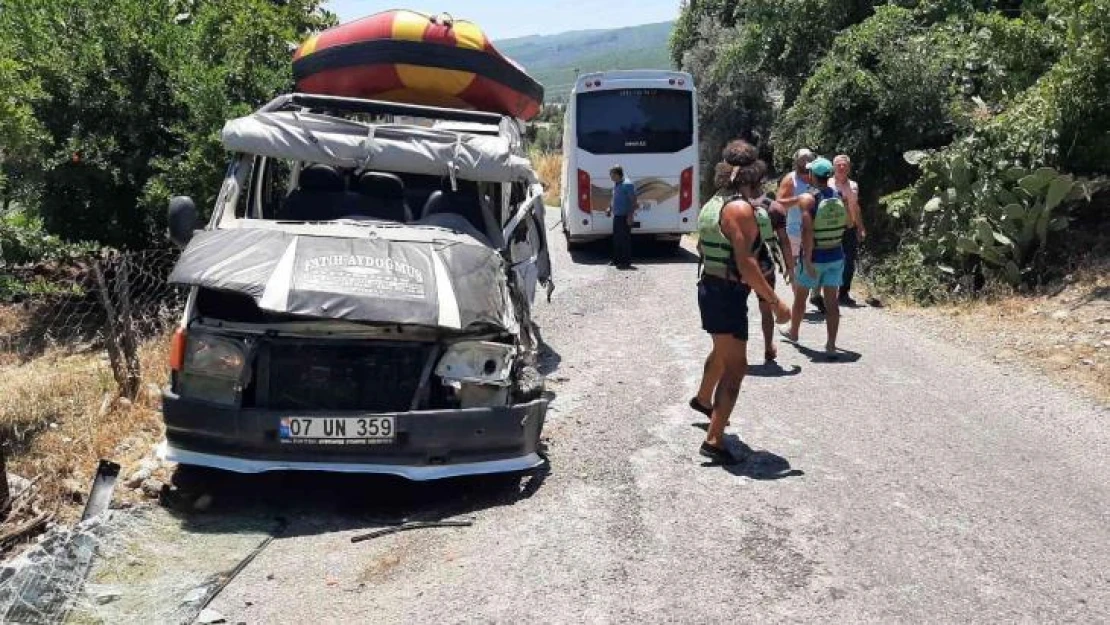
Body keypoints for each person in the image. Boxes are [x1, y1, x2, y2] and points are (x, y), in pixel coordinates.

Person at [691, 140, 791, 465]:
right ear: (753, 174)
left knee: (722, 353)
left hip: (710, 287)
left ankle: (704, 400)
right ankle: (715, 439)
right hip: (726, 294)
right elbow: (746, 262)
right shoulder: (738, 208)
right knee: (737, 368)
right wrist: (774, 302)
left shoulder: (712, 203)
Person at [783, 157, 848, 357]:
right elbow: (848, 220)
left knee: (801, 296)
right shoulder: (838, 195)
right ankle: (831, 345)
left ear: (812, 176)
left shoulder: (809, 198)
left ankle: (793, 332)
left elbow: (807, 232)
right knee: (832, 301)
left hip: (816, 256)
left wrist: (808, 260)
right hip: (836, 254)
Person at [830, 154, 866, 306]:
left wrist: (861, 227)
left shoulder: (853, 185)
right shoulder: (827, 184)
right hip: (831, 228)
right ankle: (827, 293)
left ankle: (843, 293)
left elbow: (855, 208)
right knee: (831, 261)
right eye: (839, 164)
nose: (842, 167)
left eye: (845, 165)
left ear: (849, 167)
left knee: (849, 261)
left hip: (849, 227)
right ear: (833, 167)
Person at [775, 148, 816, 266]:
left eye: (808, 159)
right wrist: (798, 200)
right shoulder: (790, 179)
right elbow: (778, 204)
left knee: (814, 268)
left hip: (814, 231)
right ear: (796, 161)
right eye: (802, 159)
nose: (805, 162)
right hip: (794, 231)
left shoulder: (816, 178)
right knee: (796, 269)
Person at [605, 165, 638, 269]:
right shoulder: (617, 184)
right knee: (617, 240)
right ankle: (616, 260)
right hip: (617, 216)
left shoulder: (627, 184)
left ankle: (626, 262)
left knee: (624, 240)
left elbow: (633, 201)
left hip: (625, 217)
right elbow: (614, 199)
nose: (611, 177)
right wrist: (610, 208)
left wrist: (630, 215)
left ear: (618, 174)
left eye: (612, 175)